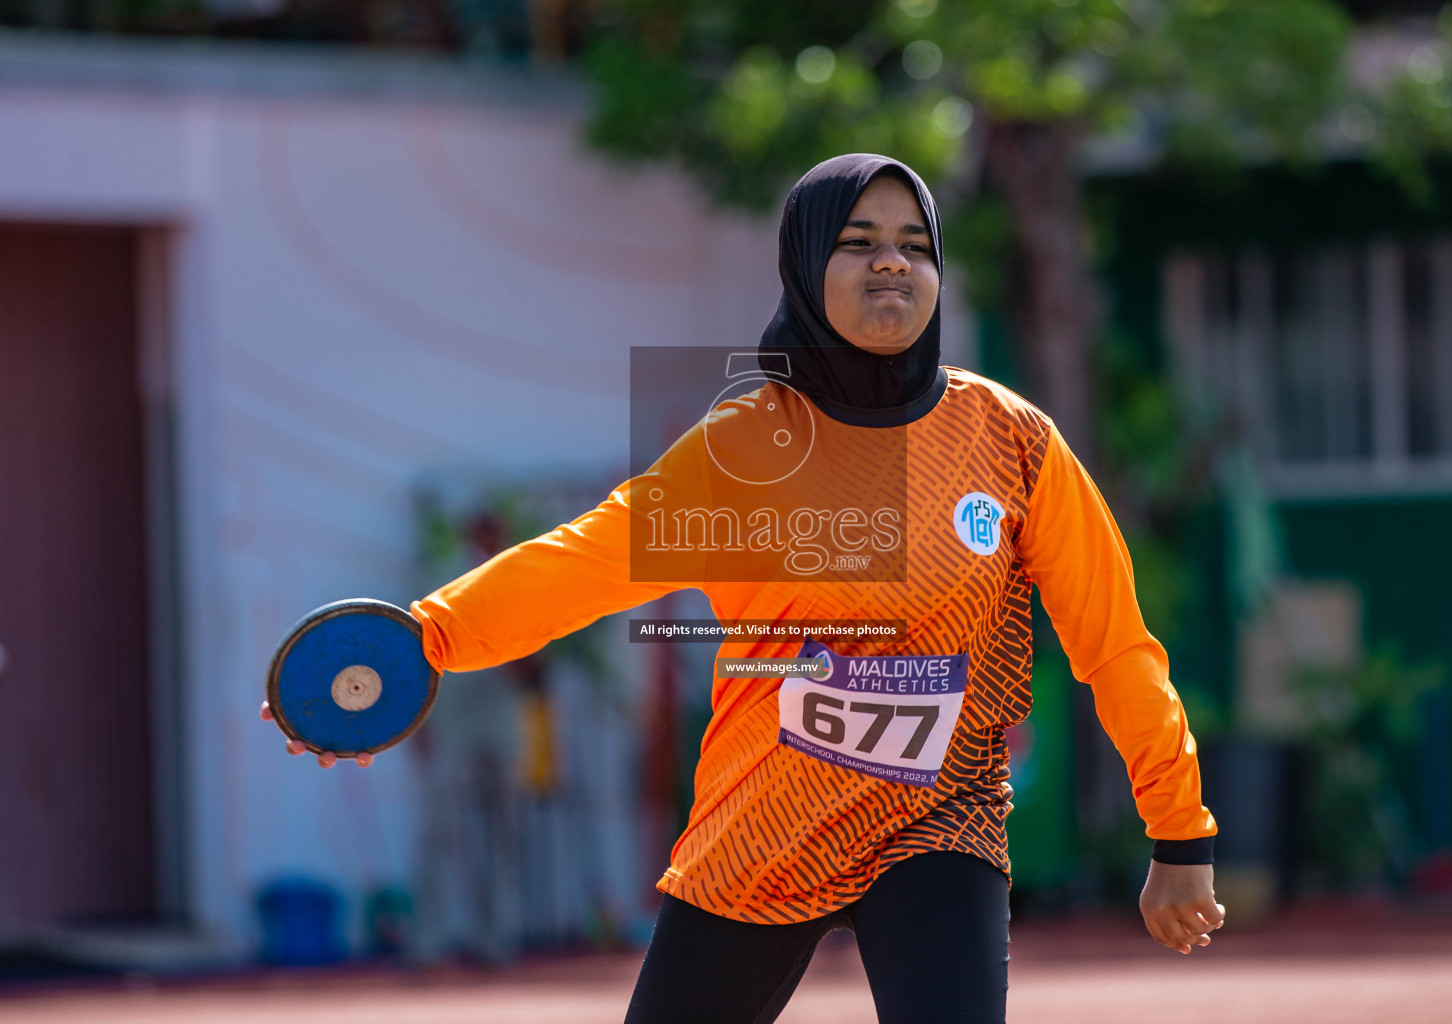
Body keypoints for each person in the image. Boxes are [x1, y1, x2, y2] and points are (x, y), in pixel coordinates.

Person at [262, 153, 1222, 1023]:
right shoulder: (746, 450)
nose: (892, 264)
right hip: (764, 828)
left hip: (943, 821)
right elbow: (583, 563)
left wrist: (1179, 833)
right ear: (804, 270)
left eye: (914, 246)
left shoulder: (1012, 442)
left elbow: (1116, 645)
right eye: (857, 243)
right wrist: (425, 640)